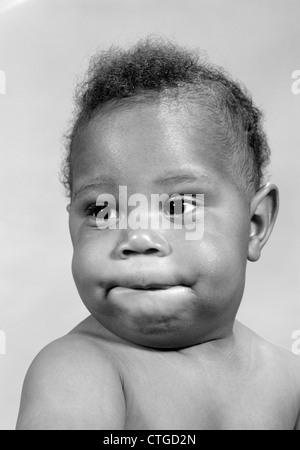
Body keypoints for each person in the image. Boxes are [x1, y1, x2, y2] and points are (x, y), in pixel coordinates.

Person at [16, 38, 300, 430]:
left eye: (180, 207)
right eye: (102, 210)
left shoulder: (290, 380)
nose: (138, 237)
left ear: (255, 225)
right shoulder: (80, 369)